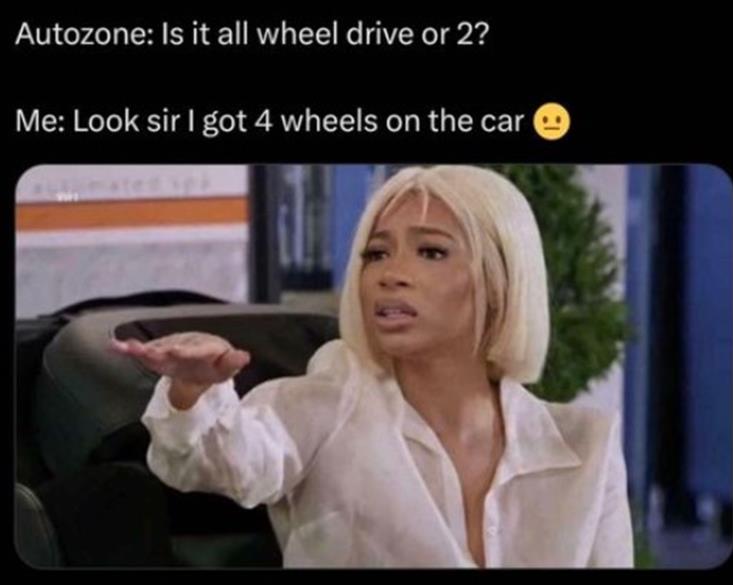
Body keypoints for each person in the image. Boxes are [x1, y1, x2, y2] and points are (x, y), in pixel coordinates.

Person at [111, 165, 634, 568]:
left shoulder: (588, 447)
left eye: (431, 252)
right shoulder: (328, 400)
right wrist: (193, 389)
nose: (390, 274)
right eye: (376, 254)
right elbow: (218, 461)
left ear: (500, 280)